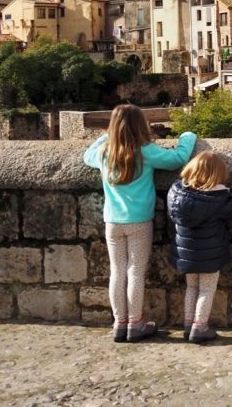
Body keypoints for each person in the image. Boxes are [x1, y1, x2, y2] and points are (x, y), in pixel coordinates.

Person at [83, 104, 196, 343]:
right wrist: (187, 136)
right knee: (135, 271)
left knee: (117, 271)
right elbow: (178, 158)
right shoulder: (145, 151)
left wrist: (108, 135)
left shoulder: (105, 152)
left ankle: (119, 323)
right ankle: (136, 323)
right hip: (139, 221)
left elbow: (86, 155)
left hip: (112, 221)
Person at [167, 151, 232, 344]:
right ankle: (200, 327)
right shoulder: (218, 198)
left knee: (191, 287)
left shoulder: (177, 195)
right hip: (210, 254)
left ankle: (188, 324)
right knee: (206, 289)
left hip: (186, 253)